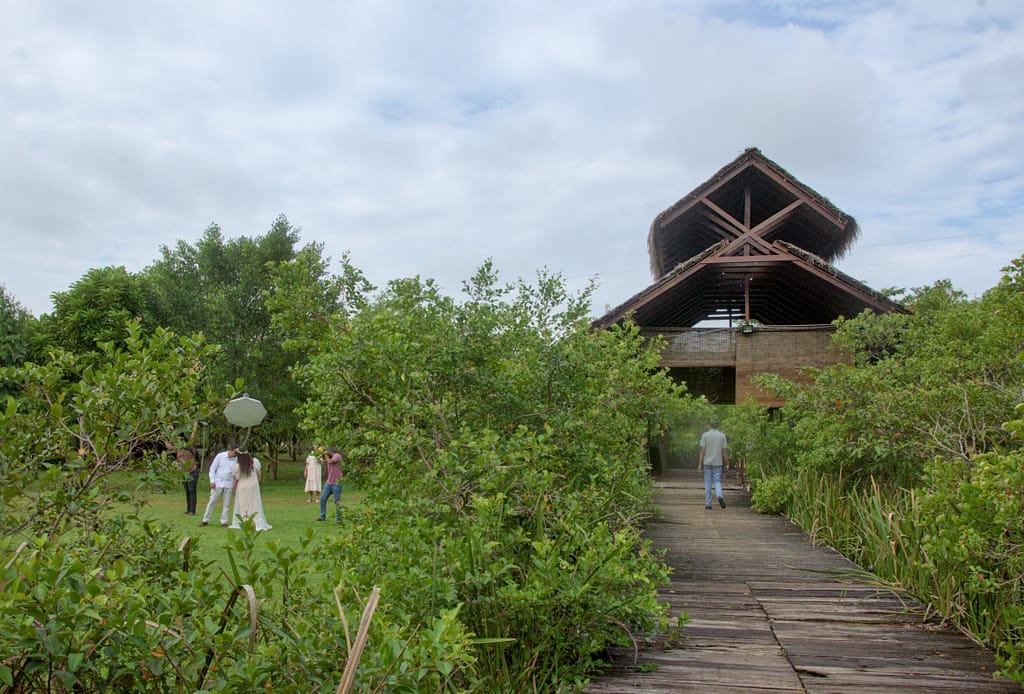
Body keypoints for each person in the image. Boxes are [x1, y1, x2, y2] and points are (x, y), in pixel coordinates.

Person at [229, 447, 272, 531]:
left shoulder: (237, 466)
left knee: (243, 504)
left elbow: (236, 478)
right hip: (253, 486)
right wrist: (258, 483)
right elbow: (259, 474)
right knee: (255, 504)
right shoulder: (254, 462)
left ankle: (246, 521)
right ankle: (256, 521)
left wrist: (234, 487)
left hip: (242, 486)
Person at [200, 446, 238, 527]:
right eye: (234, 452)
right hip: (218, 482)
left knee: (226, 503)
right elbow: (213, 468)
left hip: (229, 483)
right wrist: (212, 481)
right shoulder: (220, 456)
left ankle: (224, 521)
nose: (235, 454)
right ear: (230, 451)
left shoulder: (236, 459)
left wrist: (235, 483)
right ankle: (205, 519)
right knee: (212, 501)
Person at [698, 420, 729, 510]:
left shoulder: (705, 435)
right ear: (718, 425)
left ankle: (708, 504)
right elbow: (724, 452)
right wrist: (727, 463)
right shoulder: (722, 436)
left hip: (707, 463)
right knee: (717, 481)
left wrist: (699, 464)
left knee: (708, 483)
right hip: (717, 463)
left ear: (709, 425)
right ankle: (719, 495)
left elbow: (702, 451)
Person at [317, 448, 343, 523]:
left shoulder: (337, 455)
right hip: (329, 482)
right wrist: (318, 457)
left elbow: (330, 461)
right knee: (322, 498)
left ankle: (339, 519)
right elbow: (324, 463)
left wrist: (325, 455)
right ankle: (322, 517)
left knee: (337, 501)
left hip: (337, 482)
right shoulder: (329, 457)